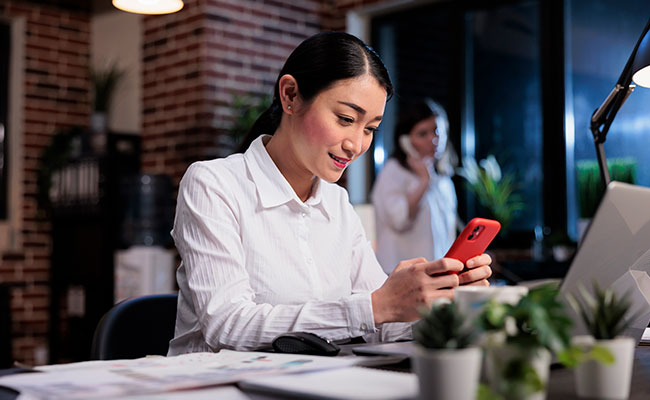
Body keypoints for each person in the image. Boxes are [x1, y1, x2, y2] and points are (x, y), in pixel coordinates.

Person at [168, 32, 491, 356]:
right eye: (346, 119)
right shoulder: (213, 184)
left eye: (369, 129)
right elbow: (227, 326)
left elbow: (384, 322)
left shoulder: (336, 202)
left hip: (309, 383)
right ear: (290, 95)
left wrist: (442, 299)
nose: (355, 144)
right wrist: (374, 307)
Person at [371, 100, 459, 274]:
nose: (433, 140)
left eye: (437, 131)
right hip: (401, 275)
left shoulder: (442, 179)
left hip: (437, 274)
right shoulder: (393, 172)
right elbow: (399, 220)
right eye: (422, 134)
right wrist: (423, 182)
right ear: (405, 140)